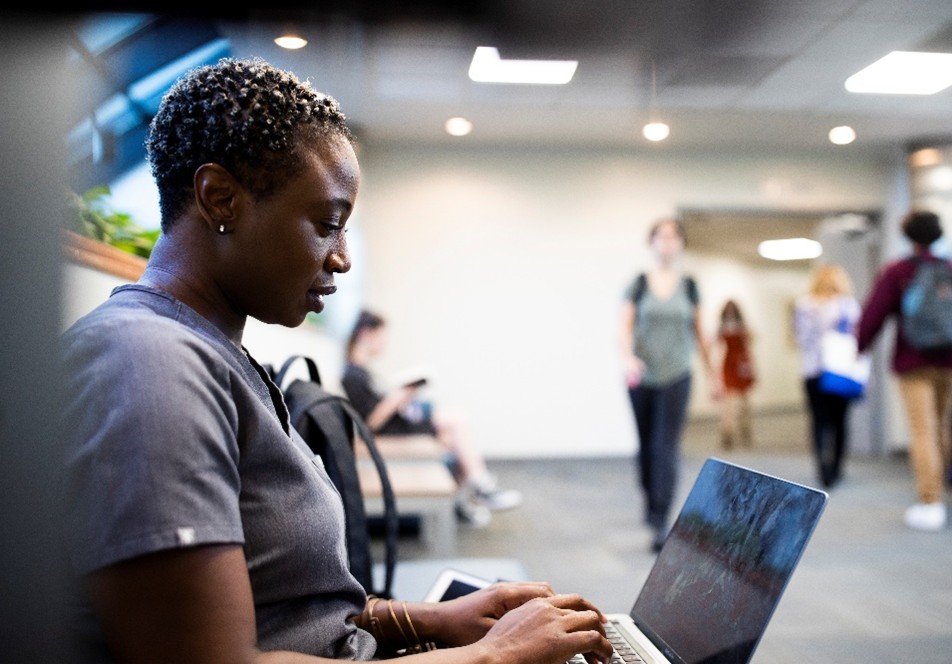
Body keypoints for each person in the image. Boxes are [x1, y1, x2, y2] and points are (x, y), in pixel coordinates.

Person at [59, 57, 612, 664]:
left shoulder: (207, 352)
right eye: (328, 224)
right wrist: (494, 655)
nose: (342, 258)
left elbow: (290, 607)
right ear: (220, 198)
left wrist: (432, 619)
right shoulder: (148, 365)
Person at [857, 210, 952, 531]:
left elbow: (874, 314)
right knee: (941, 427)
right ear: (937, 235)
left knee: (923, 430)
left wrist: (859, 346)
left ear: (908, 236)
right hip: (949, 361)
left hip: (914, 362)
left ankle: (930, 501)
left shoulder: (899, 271)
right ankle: (938, 491)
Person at [342, 308, 523, 528]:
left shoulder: (361, 371)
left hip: (396, 426)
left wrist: (402, 395)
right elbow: (371, 422)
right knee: (456, 421)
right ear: (365, 334)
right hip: (388, 433)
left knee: (452, 435)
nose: (384, 344)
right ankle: (480, 486)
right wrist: (401, 394)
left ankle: (460, 502)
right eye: (382, 337)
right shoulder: (353, 375)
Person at [619, 217, 719, 552]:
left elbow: (700, 333)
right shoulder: (638, 283)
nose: (667, 242)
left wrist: (714, 373)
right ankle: (651, 502)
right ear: (652, 242)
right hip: (641, 376)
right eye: (661, 236)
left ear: (680, 244)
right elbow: (623, 328)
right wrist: (628, 357)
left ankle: (661, 521)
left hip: (677, 375)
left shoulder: (689, 285)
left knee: (666, 447)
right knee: (647, 448)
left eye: (674, 237)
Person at [793, 264, 862, 489]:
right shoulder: (847, 306)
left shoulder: (804, 304)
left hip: (813, 371)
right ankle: (836, 468)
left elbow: (800, 339)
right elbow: (858, 339)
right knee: (840, 422)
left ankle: (823, 469)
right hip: (840, 371)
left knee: (819, 422)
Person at [715, 299, 756, 449]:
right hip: (729, 364)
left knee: (745, 402)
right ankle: (728, 433)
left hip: (741, 364)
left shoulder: (743, 326)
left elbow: (751, 341)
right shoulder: (722, 328)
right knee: (729, 403)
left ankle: (745, 429)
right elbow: (717, 344)